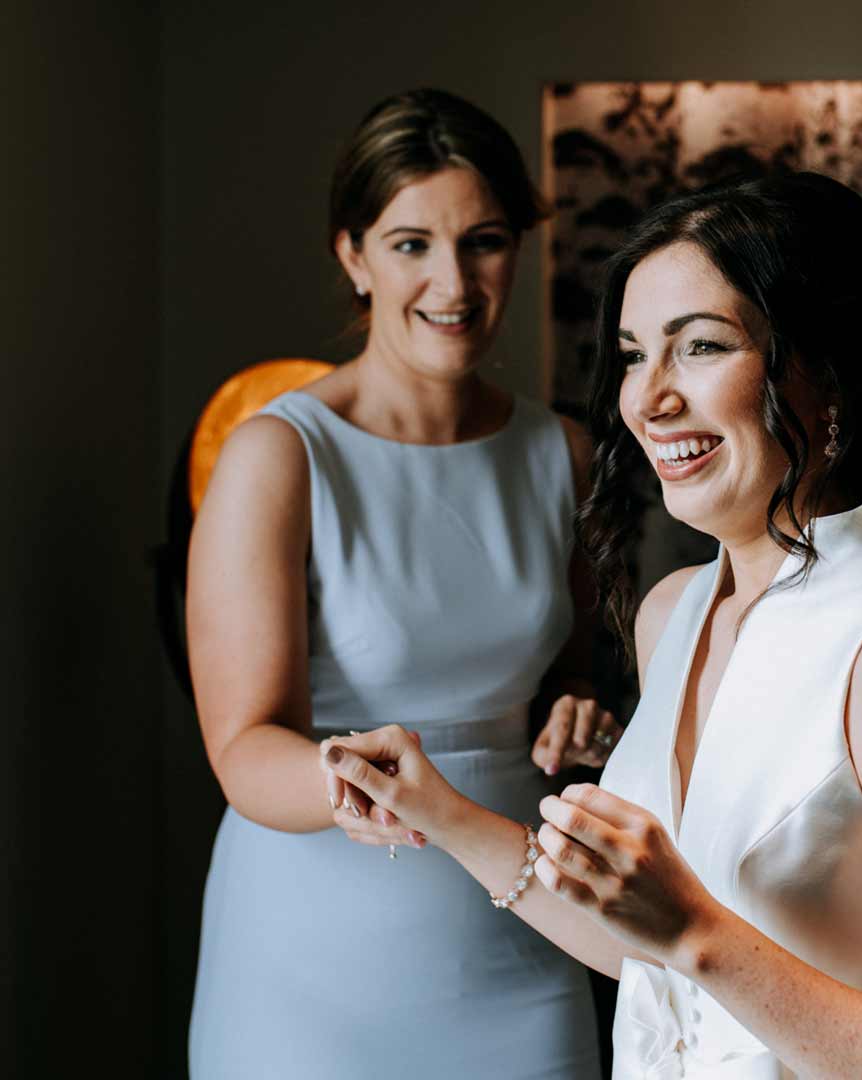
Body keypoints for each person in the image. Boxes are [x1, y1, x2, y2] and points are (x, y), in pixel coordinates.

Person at [322, 171, 862, 1079]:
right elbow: (651, 962)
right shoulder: (674, 613)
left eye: (700, 347)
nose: (648, 400)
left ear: (825, 371)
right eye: (633, 355)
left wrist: (697, 930)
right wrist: (437, 810)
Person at [186, 88, 608, 1078]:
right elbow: (243, 747)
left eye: (485, 241)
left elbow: (571, 683)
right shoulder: (280, 455)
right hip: (311, 957)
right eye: (411, 243)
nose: (453, 281)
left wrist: (581, 718)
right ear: (354, 256)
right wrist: (349, 785)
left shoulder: (567, 456)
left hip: (522, 932)